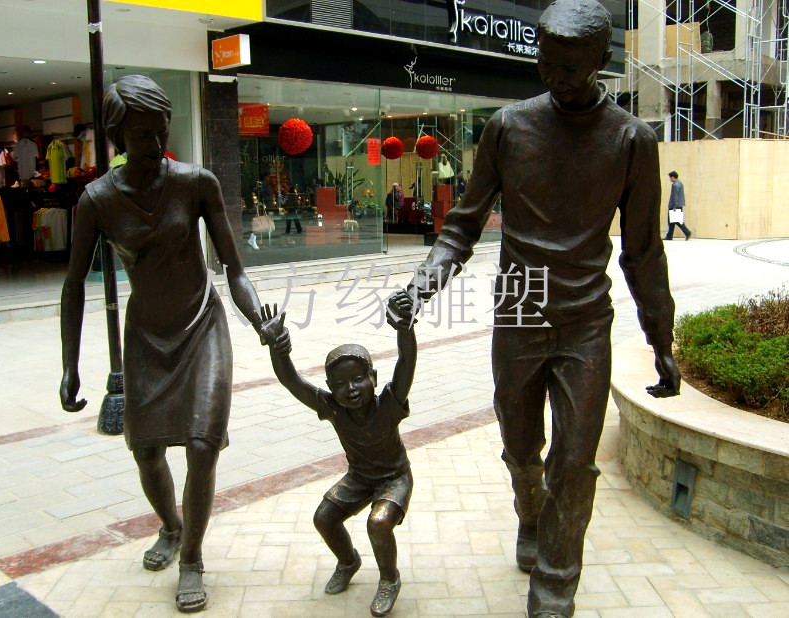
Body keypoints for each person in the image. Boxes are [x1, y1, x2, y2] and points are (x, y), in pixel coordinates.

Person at [405, 2, 681, 617]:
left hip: (586, 322)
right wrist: (422, 285)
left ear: (602, 62)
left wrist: (661, 340)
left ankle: (554, 589)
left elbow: (643, 253)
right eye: (545, 64)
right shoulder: (507, 127)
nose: (555, 78)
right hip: (519, 314)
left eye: (570, 69)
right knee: (521, 447)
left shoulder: (631, 141)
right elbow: (463, 225)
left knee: (574, 462)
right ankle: (530, 514)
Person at [59, 75, 277, 614]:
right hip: (146, 336)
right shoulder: (97, 201)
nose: (156, 145)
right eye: (142, 135)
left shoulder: (196, 183)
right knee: (147, 450)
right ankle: (171, 526)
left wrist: (260, 321)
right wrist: (70, 366)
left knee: (203, 445)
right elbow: (73, 286)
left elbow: (234, 269)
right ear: (117, 136)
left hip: (202, 325)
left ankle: (192, 559)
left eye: (162, 132)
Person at [259, 291, 417, 617]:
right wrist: (278, 347)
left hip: (394, 479)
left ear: (373, 378)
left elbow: (406, 362)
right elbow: (292, 381)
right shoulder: (333, 408)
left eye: (359, 379)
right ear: (331, 388)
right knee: (324, 517)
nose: (352, 389)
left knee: (379, 522)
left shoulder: (389, 403)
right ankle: (348, 561)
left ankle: (389, 579)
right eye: (341, 384)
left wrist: (405, 328)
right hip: (359, 478)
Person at [663, 170, 692, 240]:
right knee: (673, 221)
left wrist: (674, 206)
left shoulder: (675, 185)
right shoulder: (680, 183)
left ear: (673, 177)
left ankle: (687, 232)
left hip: (674, 206)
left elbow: (675, 196)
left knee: (675, 220)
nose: (670, 179)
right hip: (679, 205)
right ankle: (669, 236)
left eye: (670, 177)